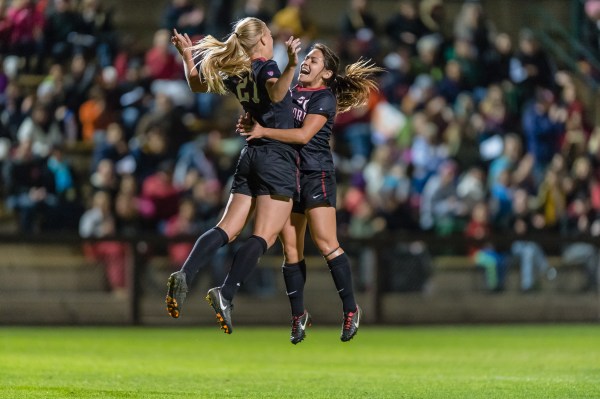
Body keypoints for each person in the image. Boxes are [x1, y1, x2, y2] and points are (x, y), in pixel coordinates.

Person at [165, 17, 301, 331]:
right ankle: (225, 292)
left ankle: (185, 273)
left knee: (227, 227)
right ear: (264, 38)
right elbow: (278, 94)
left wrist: (188, 57)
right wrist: (291, 63)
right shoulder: (267, 66)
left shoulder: (236, 73)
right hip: (276, 158)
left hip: (250, 155)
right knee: (265, 235)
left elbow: (196, 84)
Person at [238, 43, 381, 343]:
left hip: (317, 175)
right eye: (306, 58)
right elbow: (272, 114)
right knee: (291, 249)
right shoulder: (289, 92)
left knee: (327, 242)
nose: (305, 62)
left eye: (313, 60)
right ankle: (298, 316)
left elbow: (303, 135)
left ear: (326, 72)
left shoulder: (325, 98)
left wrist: (263, 132)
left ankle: (351, 308)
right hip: (289, 174)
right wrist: (252, 121)